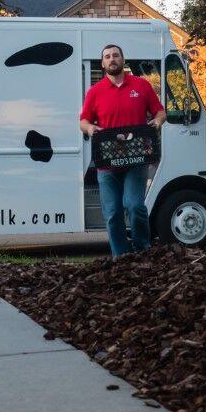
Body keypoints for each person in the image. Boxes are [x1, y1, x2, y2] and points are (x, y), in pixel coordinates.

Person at [79, 43, 166, 256]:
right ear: (102, 63)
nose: (112, 59)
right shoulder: (95, 92)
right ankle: (121, 256)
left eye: (115, 55)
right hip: (107, 162)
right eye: (107, 57)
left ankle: (142, 249)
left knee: (135, 205)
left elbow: (160, 112)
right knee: (112, 212)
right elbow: (83, 120)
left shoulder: (142, 86)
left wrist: (156, 123)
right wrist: (90, 128)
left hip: (136, 158)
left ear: (123, 60)